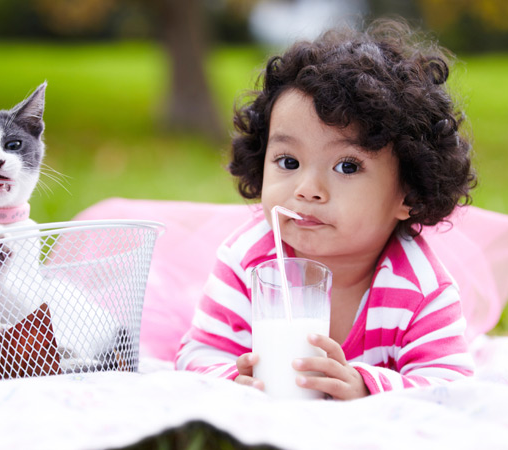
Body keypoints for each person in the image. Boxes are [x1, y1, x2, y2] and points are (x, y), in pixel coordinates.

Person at [175, 18, 477, 400]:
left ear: (409, 193)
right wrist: (233, 381)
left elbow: (452, 383)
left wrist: (365, 387)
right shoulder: (247, 262)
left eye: (347, 166)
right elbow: (196, 355)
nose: (307, 190)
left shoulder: (419, 288)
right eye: (287, 162)